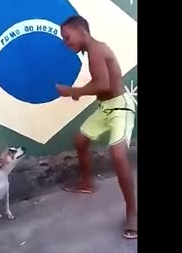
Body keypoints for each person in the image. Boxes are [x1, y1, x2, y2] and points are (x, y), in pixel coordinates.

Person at [55, 15, 137, 239]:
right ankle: (87, 183)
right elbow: (101, 86)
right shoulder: (93, 51)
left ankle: (132, 212)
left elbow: (104, 84)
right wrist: (78, 92)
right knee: (80, 140)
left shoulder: (97, 49)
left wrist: (73, 91)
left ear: (82, 31)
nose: (66, 42)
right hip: (105, 108)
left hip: (120, 107)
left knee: (118, 155)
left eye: (67, 36)